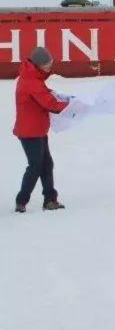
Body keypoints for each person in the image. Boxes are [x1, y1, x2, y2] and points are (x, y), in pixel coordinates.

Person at [13, 47, 69, 213]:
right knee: (36, 166)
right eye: (47, 64)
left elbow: (43, 94)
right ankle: (21, 201)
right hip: (30, 133)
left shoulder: (32, 76)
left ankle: (50, 200)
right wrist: (71, 106)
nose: (50, 67)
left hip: (37, 130)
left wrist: (55, 94)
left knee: (46, 164)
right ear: (38, 64)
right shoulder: (31, 81)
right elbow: (49, 104)